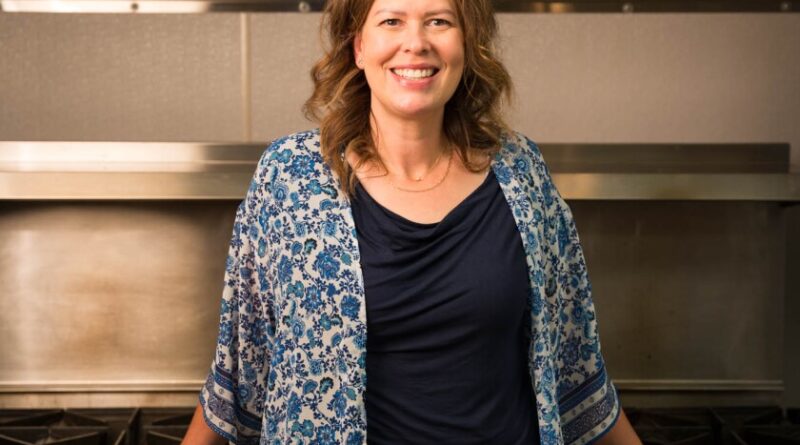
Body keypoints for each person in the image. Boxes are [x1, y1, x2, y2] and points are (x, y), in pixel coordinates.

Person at [182, 0, 642, 443]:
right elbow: (243, 364)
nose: (416, 43)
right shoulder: (290, 177)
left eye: (440, 21)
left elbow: (575, 365)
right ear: (358, 46)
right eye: (391, 21)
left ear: (468, 43)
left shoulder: (522, 171)